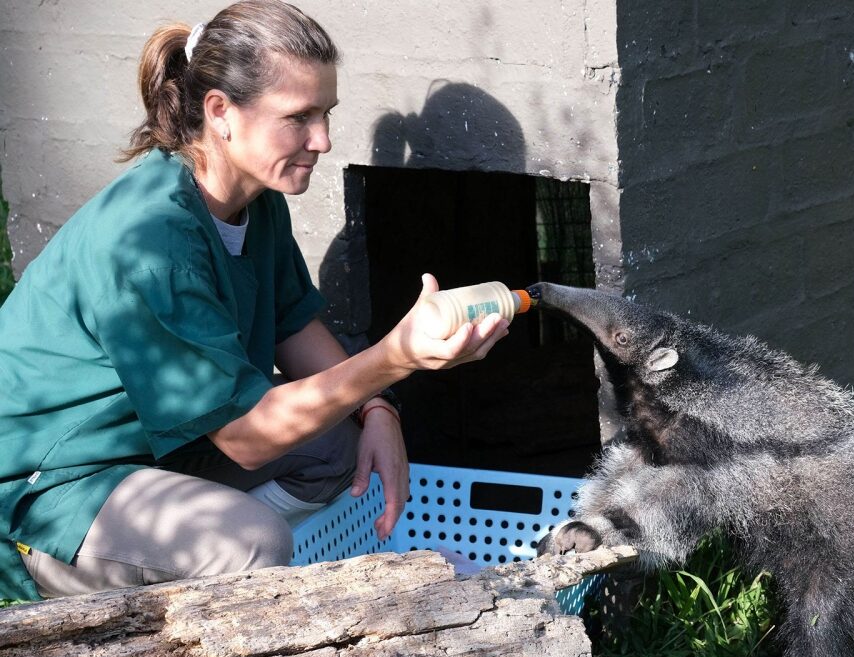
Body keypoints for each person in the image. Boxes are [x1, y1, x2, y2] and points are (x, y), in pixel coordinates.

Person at [0, 0, 509, 601]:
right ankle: (202, 603)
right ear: (221, 112)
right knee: (248, 540)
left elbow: (296, 329)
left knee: (333, 445)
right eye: (299, 117)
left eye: (326, 113)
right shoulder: (152, 240)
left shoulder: (255, 202)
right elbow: (246, 437)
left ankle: (228, 591)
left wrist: (379, 410)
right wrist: (397, 357)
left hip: (155, 454)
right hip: (53, 491)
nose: (321, 139)